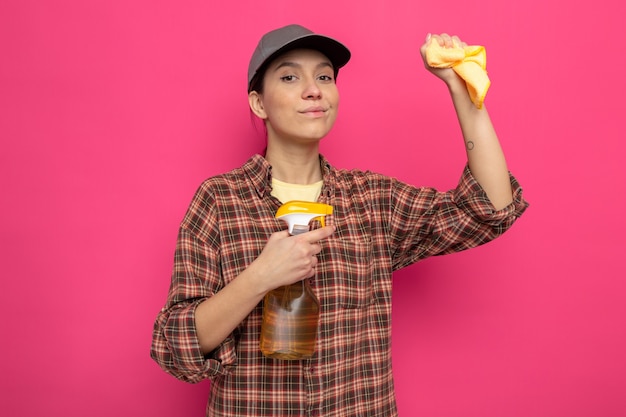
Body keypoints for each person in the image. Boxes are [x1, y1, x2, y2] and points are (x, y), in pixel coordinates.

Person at [151, 24, 528, 416]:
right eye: (290, 76)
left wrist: (462, 91)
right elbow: (176, 348)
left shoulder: (370, 200)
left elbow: (488, 210)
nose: (314, 88)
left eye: (325, 76)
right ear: (258, 103)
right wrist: (260, 277)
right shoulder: (220, 200)